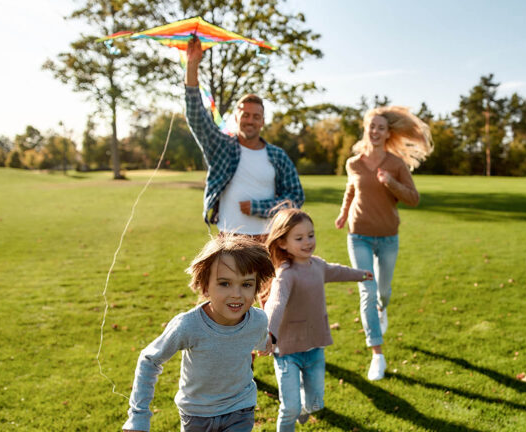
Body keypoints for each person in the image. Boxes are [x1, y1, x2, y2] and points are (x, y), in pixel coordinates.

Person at [122, 234, 275, 432]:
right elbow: (150, 360)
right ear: (205, 287)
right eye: (224, 283)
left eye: (246, 284)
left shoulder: (258, 320)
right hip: (196, 415)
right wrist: (138, 416)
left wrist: (267, 344)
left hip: (240, 409)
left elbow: (261, 338)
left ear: (256, 287)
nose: (236, 294)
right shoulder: (187, 326)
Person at [334, 106, 433, 381]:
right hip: (358, 236)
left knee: (383, 293)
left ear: (387, 133)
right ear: (365, 130)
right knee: (367, 290)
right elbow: (351, 189)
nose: (375, 131)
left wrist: (391, 183)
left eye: (381, 127)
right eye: (371, 127)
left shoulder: (396, 164)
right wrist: (343, 214)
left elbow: (414, 198)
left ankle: (383, 307)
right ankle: (377, 354)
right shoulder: (353, 163)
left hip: (388, 237)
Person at [263, 208, 372, 431]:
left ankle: (305, 408)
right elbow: (276, 303)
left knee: (315, 404)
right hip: (287, 351)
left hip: (314, 347)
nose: (307, 242)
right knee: (289, 408)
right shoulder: (285, 274)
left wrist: (360, 274)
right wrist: (269, 334)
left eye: (311, 235)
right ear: (282, 242)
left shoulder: (318, 265)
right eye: (299, 238)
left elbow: (337, 271)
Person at [184, 37, 304, 240]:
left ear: (262, 121)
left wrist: (260, 208)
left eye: (256, 116)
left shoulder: (277, 155)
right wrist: (192, 64)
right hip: (229, 238)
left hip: (269, 238)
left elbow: (296, 196)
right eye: (245, 115)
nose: (250, 120)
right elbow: (196, 115)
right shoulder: (221, 147)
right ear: (236, 118)